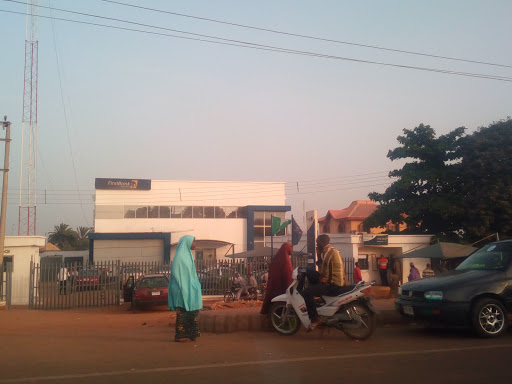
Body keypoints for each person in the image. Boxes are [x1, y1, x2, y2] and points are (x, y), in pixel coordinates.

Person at [302, 235, 345, 331]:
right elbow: (322, 268)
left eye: (317, 242)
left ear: (322, 243)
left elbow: (324, 269)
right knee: (310, 273)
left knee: (306, 292)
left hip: (332, 284)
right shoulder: (330, 250)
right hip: (334, 281)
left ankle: (315, 319)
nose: (316, 244)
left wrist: (321, 278)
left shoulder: (328, 251)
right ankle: (319, 301)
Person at [168, 235, 203, 342]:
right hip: (182, 289)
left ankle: (192, 333)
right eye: (194, 242)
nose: (195, 244)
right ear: (187, 242)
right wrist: (185, 287)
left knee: (193, 311)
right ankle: (179, 335)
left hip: (190, 289)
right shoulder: (180, 257)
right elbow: (177, 273)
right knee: (183, 312)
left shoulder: (188, 255)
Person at [260, 242, 293, 315]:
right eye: (291, 248)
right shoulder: (285, 260)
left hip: (275, 284)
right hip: (283, 284)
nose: (292, 250)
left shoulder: (279, 258)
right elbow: (289, 274)